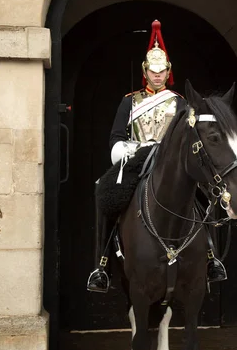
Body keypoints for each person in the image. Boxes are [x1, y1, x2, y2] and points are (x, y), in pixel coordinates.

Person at [87, 19, 226, 293]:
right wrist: (134, 150)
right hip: (138, 160)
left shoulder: (180, 103)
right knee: (104, 192)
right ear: (145, 71)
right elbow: (116, 138)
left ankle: (212, 259)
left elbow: (190, 137)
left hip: (172, 164)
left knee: (208, 195)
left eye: (162, 71)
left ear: (168, 72)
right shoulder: (130, 101)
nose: (158, 76)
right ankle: (101, 266)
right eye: (153, 71)